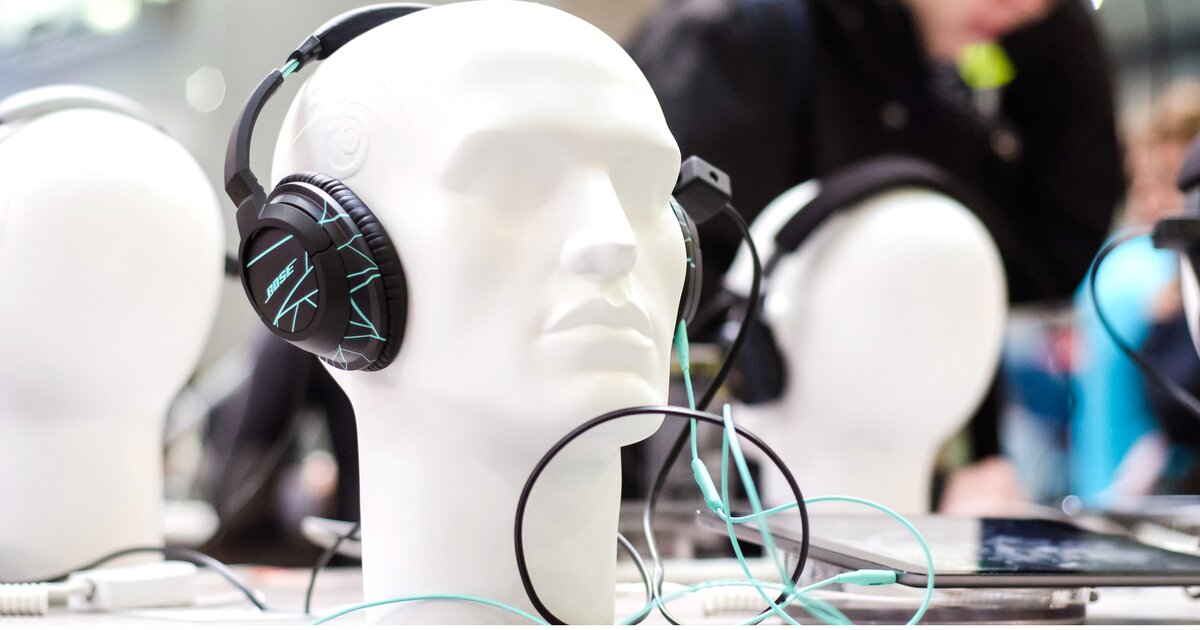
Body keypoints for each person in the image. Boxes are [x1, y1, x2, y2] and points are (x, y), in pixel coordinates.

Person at [628, 0, 1121, 464]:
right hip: (712, 476)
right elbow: (656, 280)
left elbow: (1033, 263)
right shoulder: (738, 35)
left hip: (873, 487)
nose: (1028, 7)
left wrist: (976, 458)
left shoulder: (931, 94)